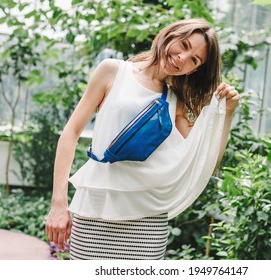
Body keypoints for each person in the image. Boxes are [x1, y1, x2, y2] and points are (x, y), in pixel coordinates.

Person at [45, 18, 239, 260]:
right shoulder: (113, 71)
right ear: (171, 34)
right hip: (94, 212)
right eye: (185, 45)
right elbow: (70, 133)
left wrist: (227, 113)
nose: (182, 58)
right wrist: (58, 204)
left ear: (194, 70)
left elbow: (203, 163)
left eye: (194, 60)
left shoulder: (175, 101)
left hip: (147, 223)